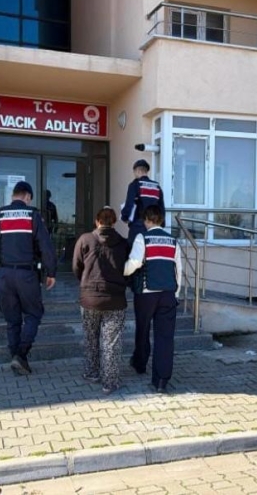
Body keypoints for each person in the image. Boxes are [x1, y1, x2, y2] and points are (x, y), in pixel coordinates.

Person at [0, 181, 57, 376]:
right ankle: (21, 354)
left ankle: (16, 357)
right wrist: (51, 272)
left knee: (12, 320)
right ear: (28, 197)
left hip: (5, 275)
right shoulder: (33, 215)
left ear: (13, 195)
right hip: (27, 275)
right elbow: (46, 247)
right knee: (33, 314)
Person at [124, 205, 182, 394]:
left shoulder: (143, 238)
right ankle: (161, 380)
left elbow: (134, 263)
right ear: (161, 220)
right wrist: (176, 293)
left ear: (147, 220)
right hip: (168, 294)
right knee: (165, 337)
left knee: (143, 330)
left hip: (146, 293)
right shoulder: (173, 241)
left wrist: (121, 271)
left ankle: (140, 364)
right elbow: (178, 270)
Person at [72, 206, 129, 395]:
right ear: (114, 222)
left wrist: (86, 283)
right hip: (115, 299)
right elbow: (129, 269)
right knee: (111, 343)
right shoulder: (123, 243)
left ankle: (92, 373)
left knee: (91, 338)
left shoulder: (85, 239)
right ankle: (110, 382)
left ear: (97, 221)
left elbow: (76, 267)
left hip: (89, 299)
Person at [121, 159, 165, 247]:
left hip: (138, 224)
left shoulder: (135, 185)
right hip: (154, 225)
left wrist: (124, 217)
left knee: (134, 250)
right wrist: (162, 224)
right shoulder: (157, 186)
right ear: (146, 171)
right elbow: (161, 207)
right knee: (151, 250)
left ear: (137, 171)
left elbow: (129, 204)